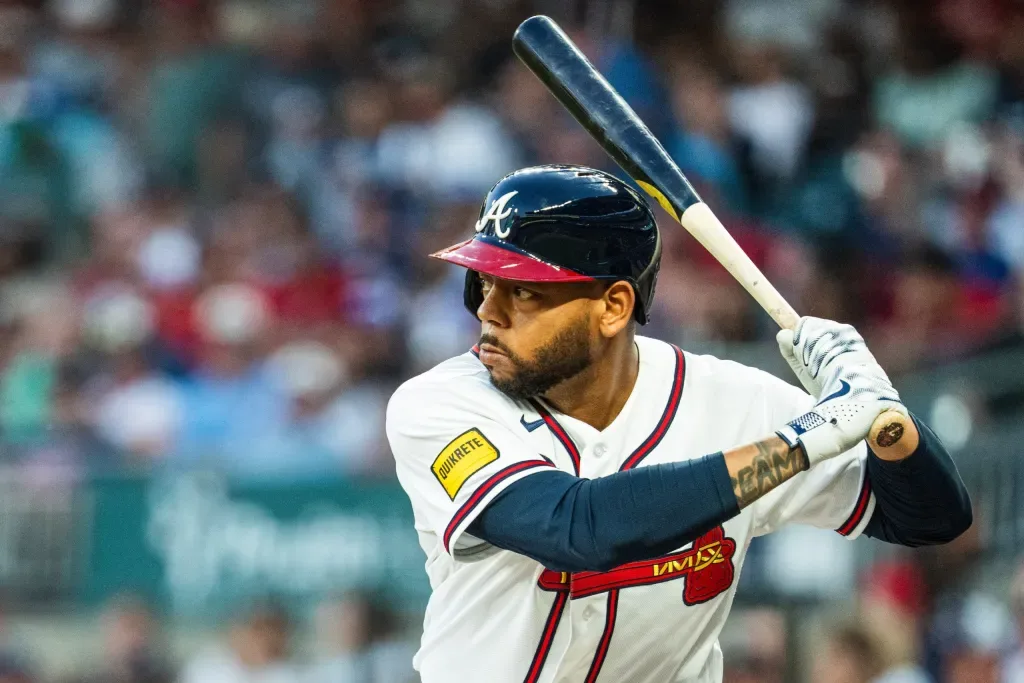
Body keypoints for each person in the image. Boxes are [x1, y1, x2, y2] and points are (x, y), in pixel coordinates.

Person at [385, 165, 973, 683]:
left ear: (614, 307)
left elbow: (928, 517)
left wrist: (885, 414)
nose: (488, 310)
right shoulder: (439, 405)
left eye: (523, 291)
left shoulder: (729, 399)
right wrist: (799, 443)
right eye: (484, 283)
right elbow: (579, 529)